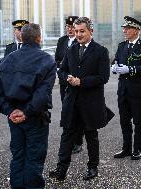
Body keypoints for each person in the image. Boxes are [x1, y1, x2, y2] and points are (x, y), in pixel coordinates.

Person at [49, 17, 113, 181]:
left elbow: (103, 77)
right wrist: (68, 78)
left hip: (91, 102)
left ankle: (93, 168)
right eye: (76, 31)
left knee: (91, 136)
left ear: (91, 31)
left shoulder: (101, 51)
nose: (78, 34)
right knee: (67, 135)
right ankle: (61, 170)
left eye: (81, 31)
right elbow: (61, 71)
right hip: (72, 101)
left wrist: (82, 82)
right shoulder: (71, 49)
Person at [0, 23, 56, 189]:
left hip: (14, 117)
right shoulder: (46, 60)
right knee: (34, 157)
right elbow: (43, 94)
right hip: (35, 117)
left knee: (18, 156)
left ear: (21, 37)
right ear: (39, 38)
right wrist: (26, 112)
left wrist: (10, 111)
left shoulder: (6, 60)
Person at [112, 16, 141, 160]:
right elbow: (115, 60)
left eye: (128, 28)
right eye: (124, 28)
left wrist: (130, 69)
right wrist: (114, 67)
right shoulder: (122, 45)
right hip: (123, 89)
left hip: (137, 89)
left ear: (136, 30)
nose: (125, 30)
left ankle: (138, 149)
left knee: (138, 120)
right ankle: (126, 148)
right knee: (124, 120)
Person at [55, 16, 83, 154]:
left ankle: (78, 141)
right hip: (64, 82)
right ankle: (70, 140)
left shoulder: (80, 41)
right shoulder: (62, 41)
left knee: (77, 112)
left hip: (77, 82)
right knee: (67, 112)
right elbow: (57, 59)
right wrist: (61, 71)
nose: (70, 29)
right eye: (68, 27)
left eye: (72, 27)